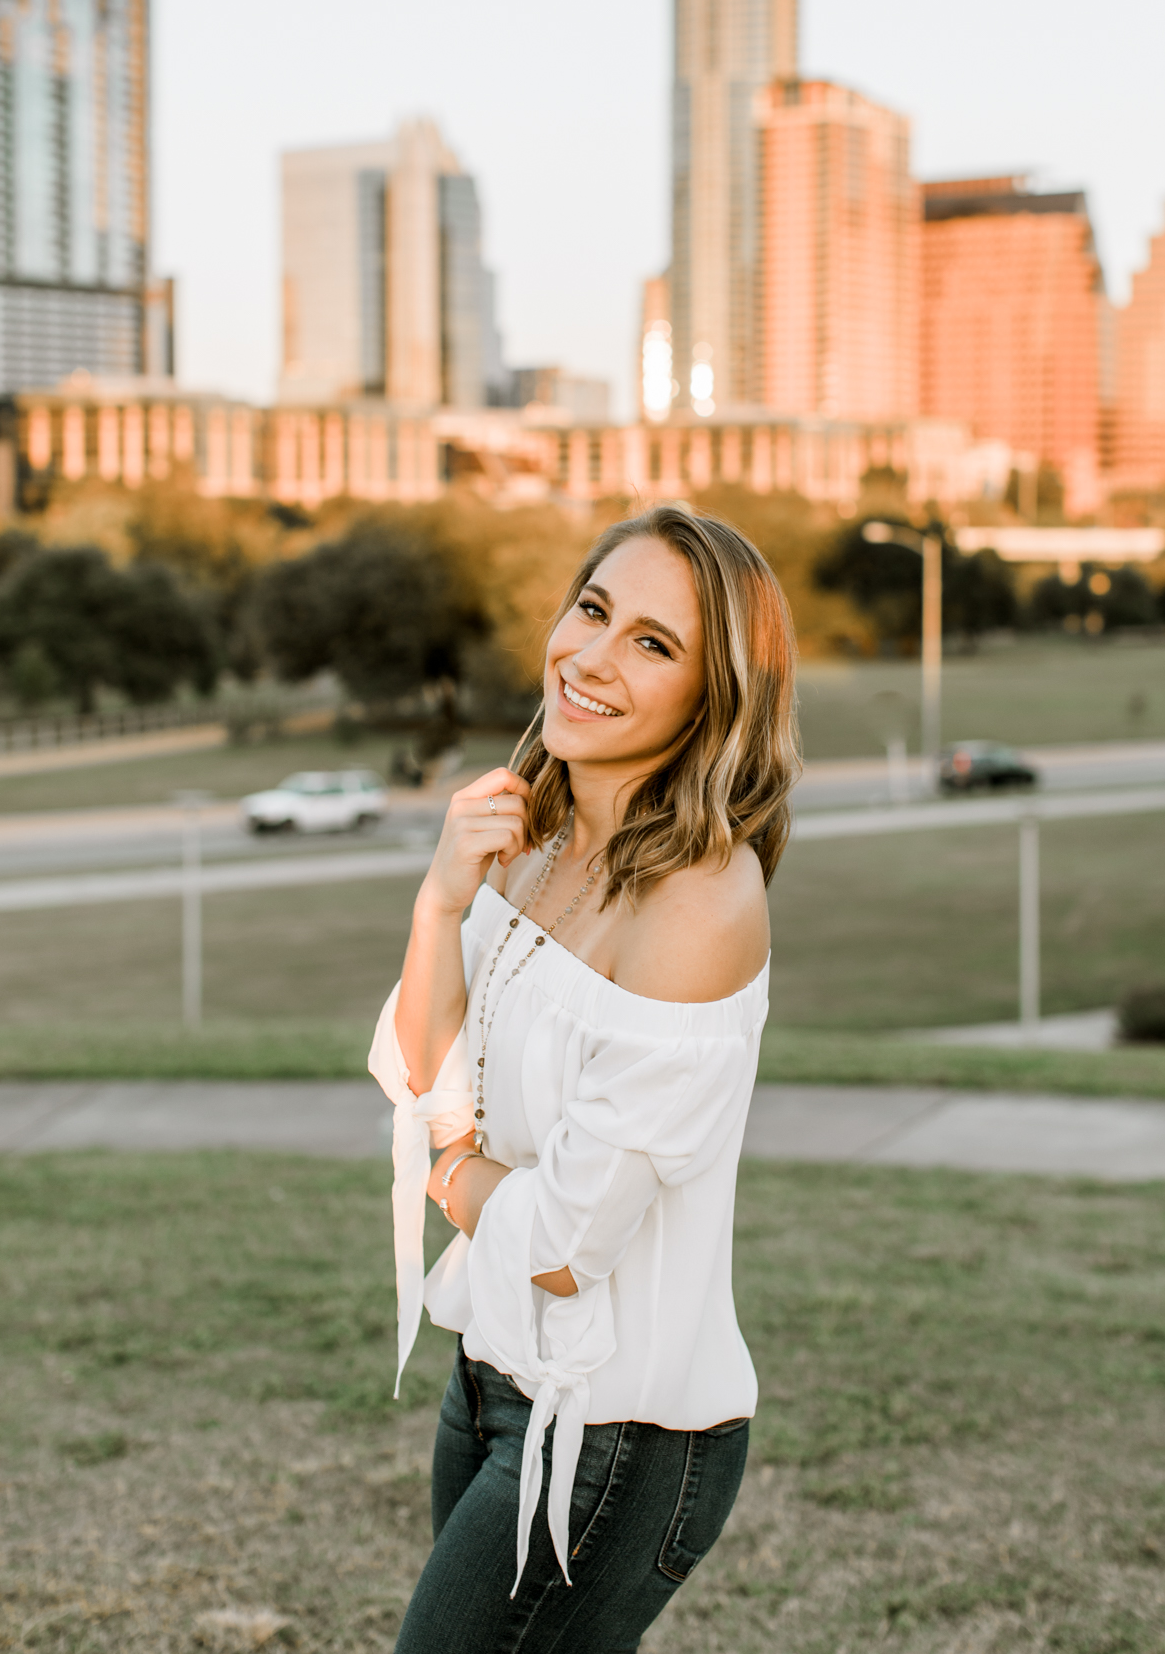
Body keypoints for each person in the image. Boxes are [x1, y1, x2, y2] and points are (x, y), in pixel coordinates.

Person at [370, 505, 801, 1652]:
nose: (593, 657)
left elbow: (562, 1242)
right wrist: (439, 902)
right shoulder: (539, 835)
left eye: (653, 644)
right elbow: (421, 1062)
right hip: (489, 1376)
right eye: (594, 609)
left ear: (715, 700)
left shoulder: (703, 900)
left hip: (619, 1431)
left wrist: (450, 1164)